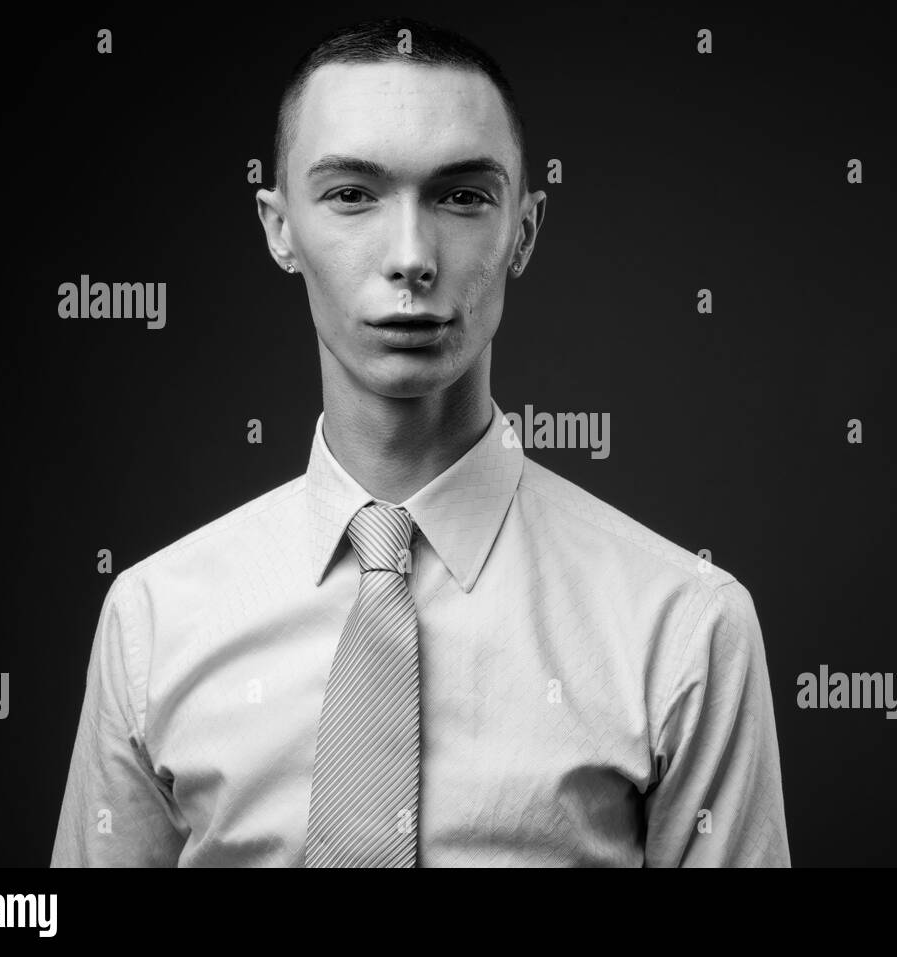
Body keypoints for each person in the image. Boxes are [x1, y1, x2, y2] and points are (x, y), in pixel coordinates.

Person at [50, 16, 790, 867]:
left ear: (524, 231)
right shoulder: (151, 620)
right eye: (352, 194)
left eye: (463, 196)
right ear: (279, 228)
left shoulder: (686, 626)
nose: (411, 257)